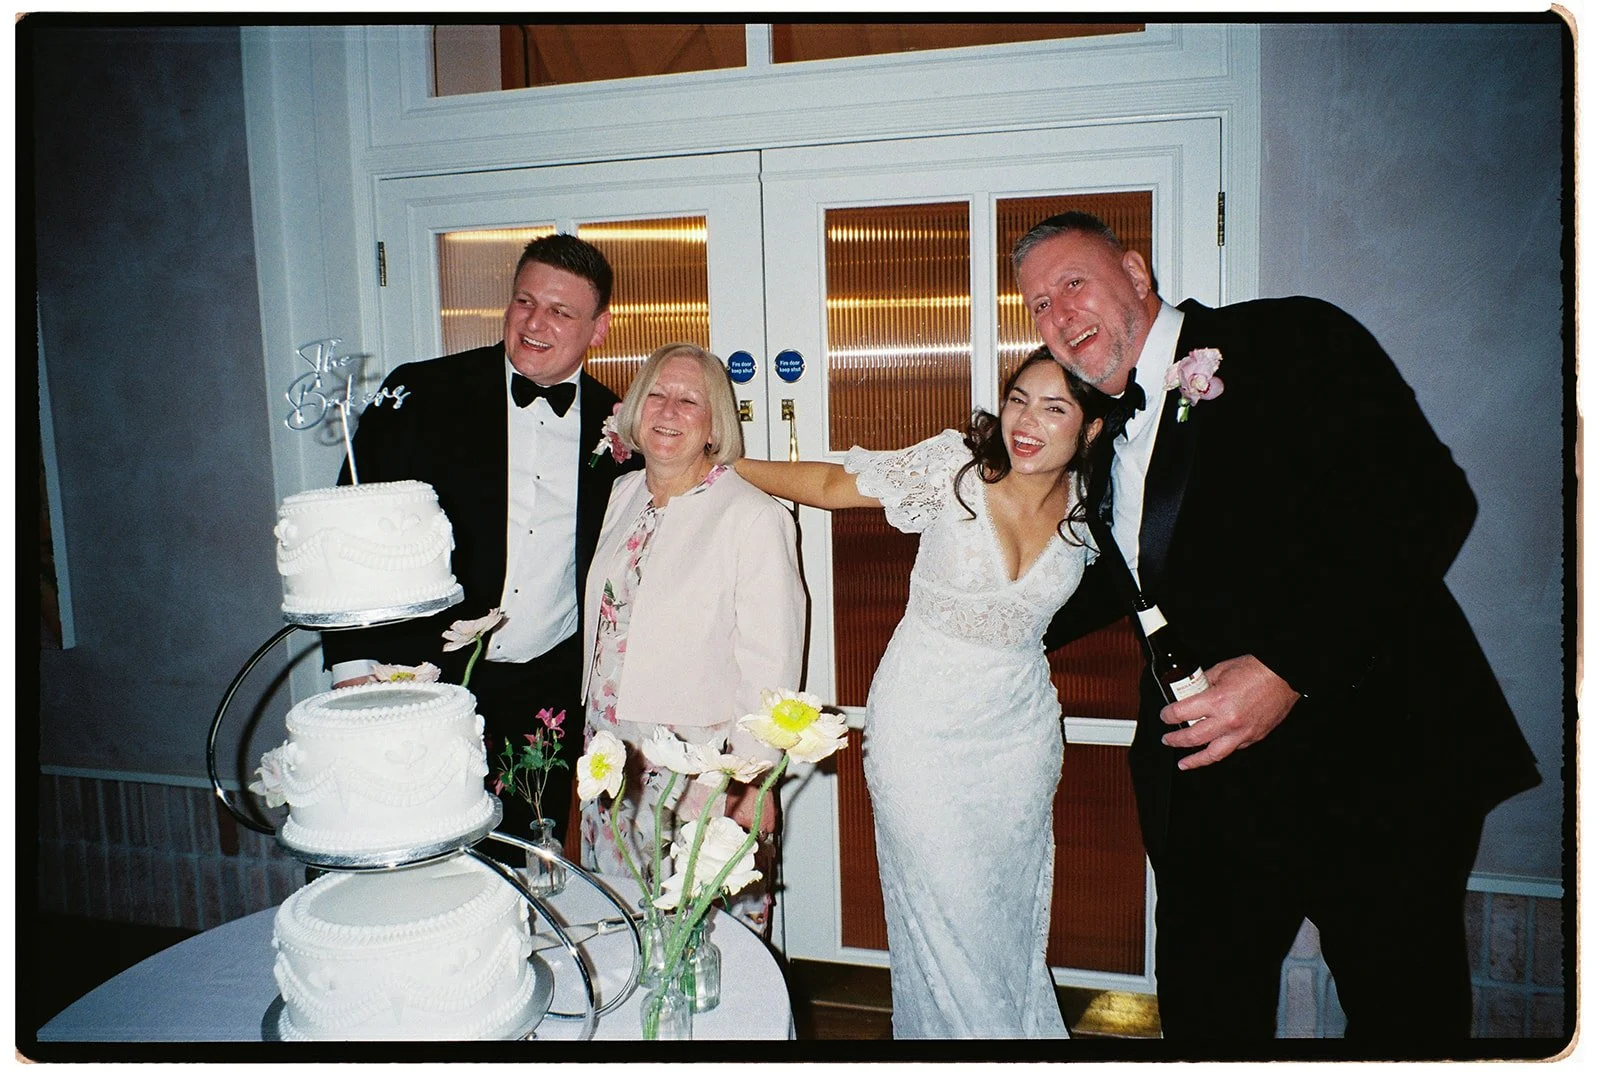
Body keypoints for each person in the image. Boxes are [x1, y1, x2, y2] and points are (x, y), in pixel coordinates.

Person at [1015, 211, 1541, 1046]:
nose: (1057, 314)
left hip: (1374, 762)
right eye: (1038, 305)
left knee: (1403, 1018)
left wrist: (1289, 668)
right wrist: (972, 624)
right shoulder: (1103, 431)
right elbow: (1123, 578)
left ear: (1137, 274)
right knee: (1206, 1013)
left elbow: (1426, 502)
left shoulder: (1289, 337)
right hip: (1212, 789)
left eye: (1072, 282)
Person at [735, 351, 1115, 1037]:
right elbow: (828, 483)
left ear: (1090, 429)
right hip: (920, 730)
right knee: (944, 912)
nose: (1026, 422)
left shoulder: (1094, 510)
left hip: (1019, 740)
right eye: (1019, 399)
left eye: (1055, 408)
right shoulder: (955, 472)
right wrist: (726, 464)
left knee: (1000, 914)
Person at [320, 234, 639, 845]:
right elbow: (349, 529)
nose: (535, 323)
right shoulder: (423, 393)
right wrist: (352, 665)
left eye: (561, 312)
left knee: (521, 858)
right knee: (413, 847)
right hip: (419, 675)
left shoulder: (618, 424)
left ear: (598, 329)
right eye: (524, 302)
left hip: (545, 691)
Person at [577, 343, 806, 936]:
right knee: (620, 915)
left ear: (715, 424)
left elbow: (771, 664)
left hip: (698, 762)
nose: (669, 410)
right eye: (656, 393)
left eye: (689, 400)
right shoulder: (622, 494)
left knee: (705, 933)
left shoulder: (755, 516)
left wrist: (753, 779)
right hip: (610, 748)